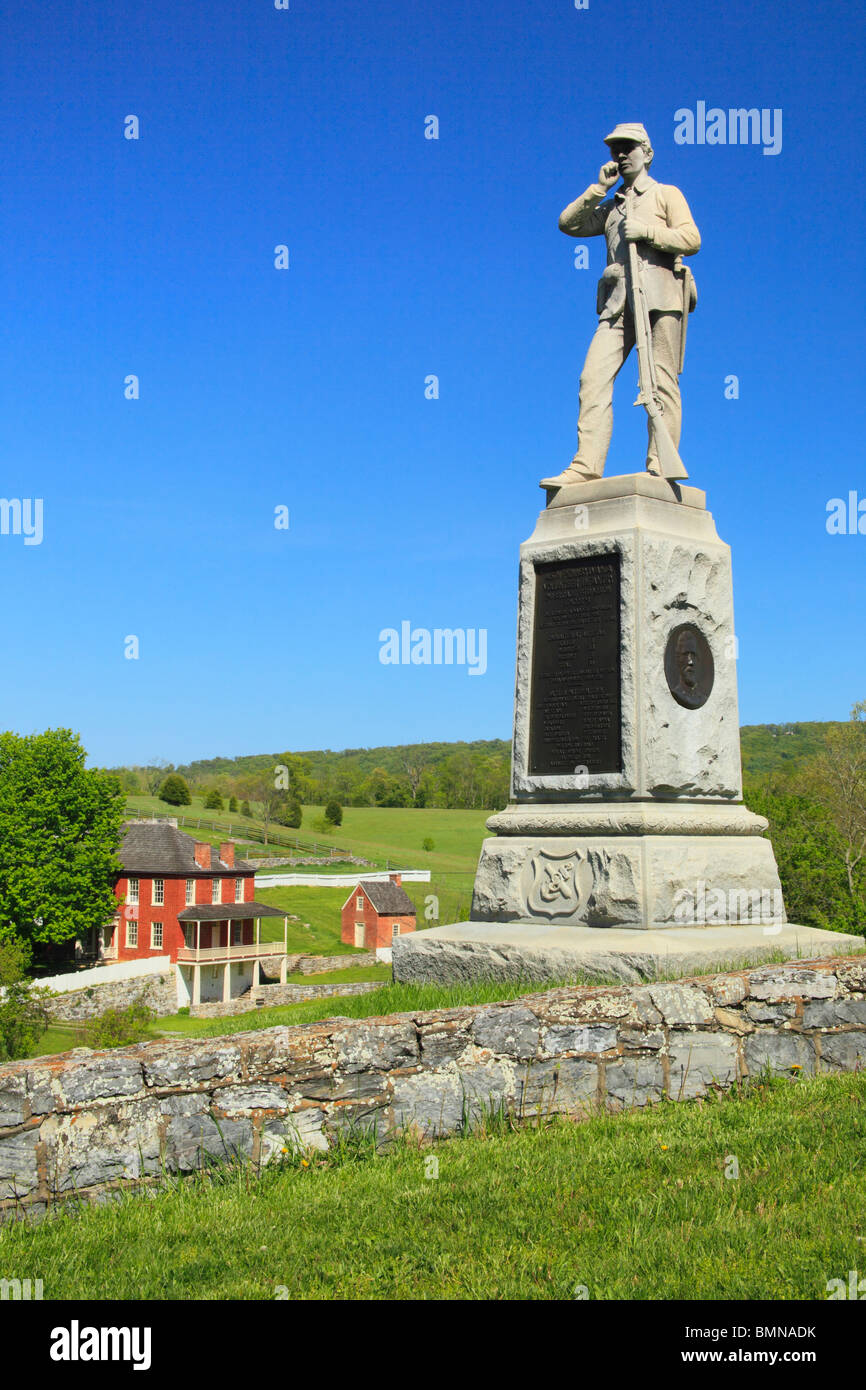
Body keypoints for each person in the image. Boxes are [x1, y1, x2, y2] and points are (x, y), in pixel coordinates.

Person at [544, 123, 700, 485]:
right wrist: (599, 188)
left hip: (660, 296)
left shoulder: (665, 194)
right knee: (592, 377)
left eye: (629, 148)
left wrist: (648, 233)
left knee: (660, 381)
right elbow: (569, 224)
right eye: (616, 149)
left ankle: (661, 464)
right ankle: (586, 466)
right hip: (618, 301)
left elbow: (691, 238)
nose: (621, 154)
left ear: (647, 153)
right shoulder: (612, 206)